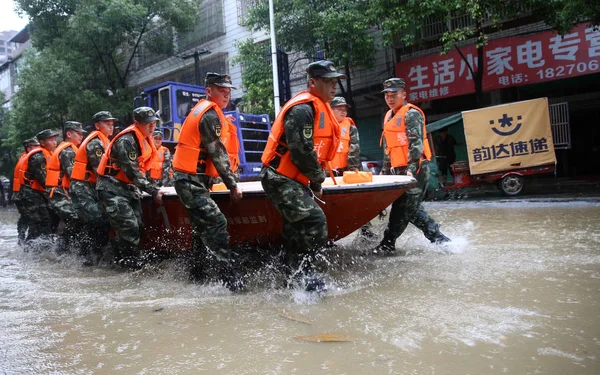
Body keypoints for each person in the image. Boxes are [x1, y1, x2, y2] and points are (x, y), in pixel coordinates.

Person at [260, 60, 343, 292]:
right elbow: (301, 152)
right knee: (314, 220)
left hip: (293, 177)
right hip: (279, 176)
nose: (333, 86)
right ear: (313, 82)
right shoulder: (302, 110)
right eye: (328, 81)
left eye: (335, 82)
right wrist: (317, 180)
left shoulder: (319, 107)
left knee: (295, 228)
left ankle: (290, 274)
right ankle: (307, 274)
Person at [171, 72, 244, 291]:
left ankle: (196, 275)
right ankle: (228, 280)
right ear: (209, 90)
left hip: (195, 180)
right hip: (189, 180)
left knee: (200, 228)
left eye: (228, 91)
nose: (226, 94)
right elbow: (218, 153)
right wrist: (232, 184)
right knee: (216, 222)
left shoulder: (214, 113)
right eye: (221, 90)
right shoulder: (209, 115)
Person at [373, 78, 450, 255]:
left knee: (403, 208)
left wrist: (412, 168)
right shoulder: (388, 116)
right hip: (398, 171)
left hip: (415, 169)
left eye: (394, 95)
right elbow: (388, 147)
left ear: (404, 94)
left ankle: (387, 243)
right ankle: (440, 239)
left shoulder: (411, 114)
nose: (390, 99)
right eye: (387, 95)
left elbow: (416, 144)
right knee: (411, 209)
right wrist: (385, 171)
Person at [96, 107, 164, 270]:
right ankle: (130, 268)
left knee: (138, 226)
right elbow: (132, 171)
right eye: (148, 123)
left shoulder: (146, 139)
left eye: (154, 123)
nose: (152, 126)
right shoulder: (126, 140)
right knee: (129, 227)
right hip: (111, 187)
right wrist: (154, 191)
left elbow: (140, 171)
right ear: (136, 123)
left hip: (128, 188)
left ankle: (117, 260)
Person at [70, 111, 115, 261]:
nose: (111, 125)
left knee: (97, 223)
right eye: (106, 123)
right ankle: (87, 257)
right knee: (98, 221)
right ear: (97, 125)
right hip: (82, 187)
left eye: (112, 123)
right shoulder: (96, 142)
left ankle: (89, 255)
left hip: (91, 187)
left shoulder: (105, 141)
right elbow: (100, 171)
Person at [45, 121, 86, 252]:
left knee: (74, 221)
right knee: (76, 219)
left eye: (82, 134)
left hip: (63, 192)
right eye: (78, 134)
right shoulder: (68, 151)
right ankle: (62, 251)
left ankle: (65, 249)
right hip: (58, 193)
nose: (81, 137)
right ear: (69, 134)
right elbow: (74, 176)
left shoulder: (71, 149)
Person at [18, 129, 59, 243]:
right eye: (51, 140)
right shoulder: (38, 157)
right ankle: (31, 249)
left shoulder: (47, 155)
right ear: (42, 142)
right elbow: (44, 180)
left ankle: (39, 246)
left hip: (38, 193)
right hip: (31, 195)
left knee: (47, 220)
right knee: (42, 221)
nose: (55, 142)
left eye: (55, 139)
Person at [12, 138, 40, 244]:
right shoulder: (29, 158)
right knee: (31, 218)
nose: (39, 149)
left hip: (21, 194)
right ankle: (27, 242)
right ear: (29, 148)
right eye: (36, 146)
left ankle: (22, 240)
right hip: (22, 194)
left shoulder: (24, 157)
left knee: (26, 217)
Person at [329, 96, 361, 174]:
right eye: (340, 109)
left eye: (345, 110)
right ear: (330, 110)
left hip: (345, 170)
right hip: (328, 171)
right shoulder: (323, 127)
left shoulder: (351, 127)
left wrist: (352, 170)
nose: (343, 112)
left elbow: (354, 150)